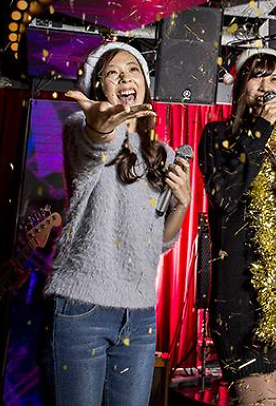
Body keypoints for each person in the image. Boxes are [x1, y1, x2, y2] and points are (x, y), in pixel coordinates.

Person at [45, 42, 191, 406]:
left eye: (133, 70)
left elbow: (159, 242)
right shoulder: (81, 127)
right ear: (100, 88)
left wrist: (183, 205)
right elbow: (95, 149)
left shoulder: (163, 154)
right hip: (83, 309)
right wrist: (100, 130)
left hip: (140, 315)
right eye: (113, 72)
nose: (125, 77)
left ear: (144, 83)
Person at [197, 48, 276, 406]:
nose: (267, 86)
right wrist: (260, 129)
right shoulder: (218, 135)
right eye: (258, 77)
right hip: (243, 298)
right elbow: (226, 200)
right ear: (241, 87)